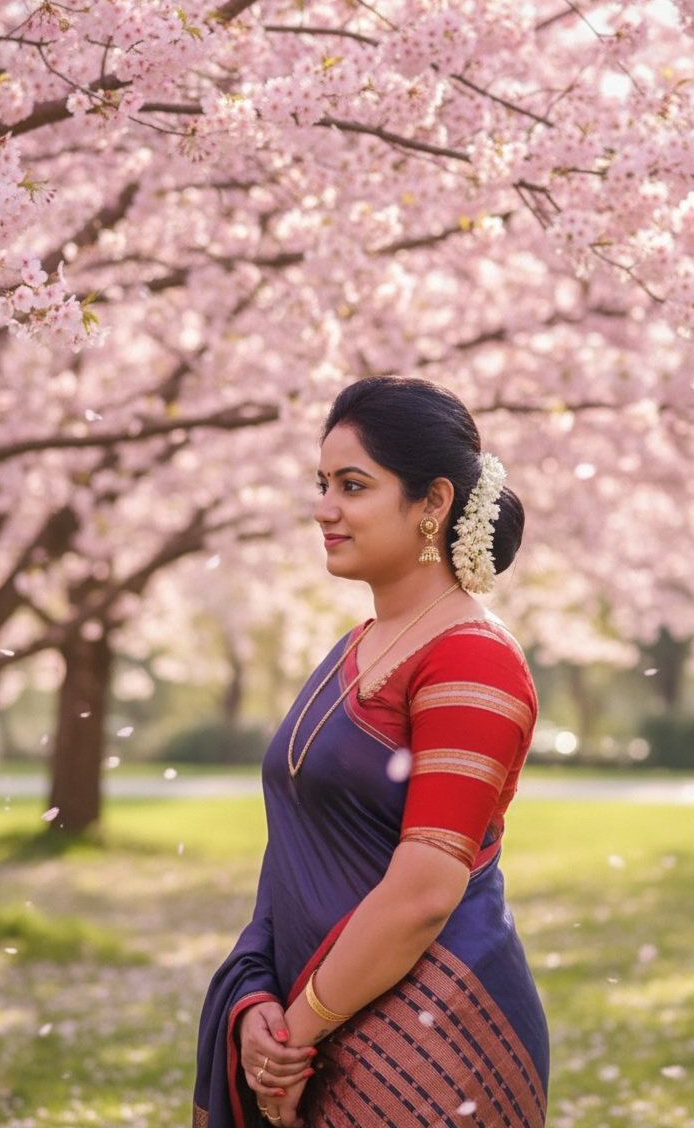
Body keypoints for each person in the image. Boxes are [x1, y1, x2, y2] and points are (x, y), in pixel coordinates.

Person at [193, 375, 549, 1128]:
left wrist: (296, 1030)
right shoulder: (358, 648)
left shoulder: (472, 661)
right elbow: (292, 852)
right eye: (322, 483)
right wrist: (255, 996)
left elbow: (422, 894)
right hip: (306, 1022)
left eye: (353, 485)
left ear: (434, 502)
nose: (324, 508)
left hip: (428, 1043)